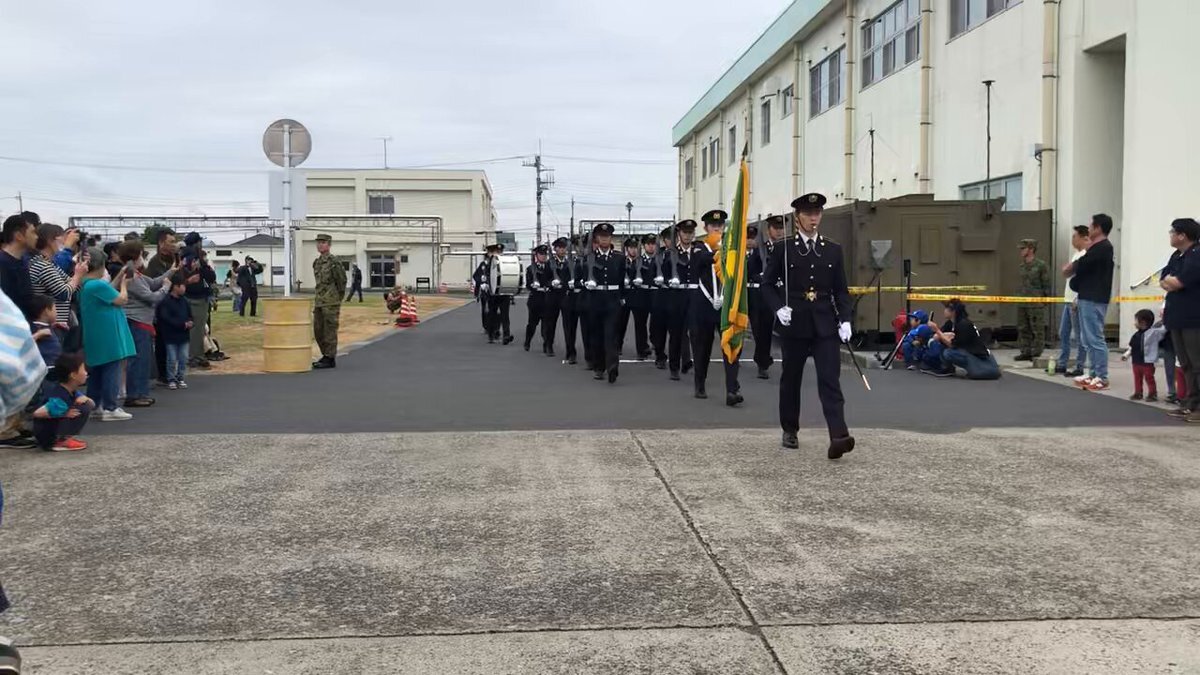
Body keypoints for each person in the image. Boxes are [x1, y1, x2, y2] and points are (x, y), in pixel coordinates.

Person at [763, 193, 855, 458]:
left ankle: (838, 435)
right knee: (791, 379)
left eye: (817, 213)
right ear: (797, 217)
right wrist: (778, 308)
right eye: (808, 214)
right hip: (795, 323)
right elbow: (767, 285)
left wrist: (846, 319)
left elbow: (841, 290)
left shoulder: (832, 249)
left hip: (825, 324)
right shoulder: (784, 248)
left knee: (830, 379)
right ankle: (790, 428)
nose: (814, 219)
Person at [79, 247, 136, 421]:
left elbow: (107, 291)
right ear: (101, 265)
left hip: (95, 333)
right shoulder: (96, 284)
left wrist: (119, 277)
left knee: (97, 371)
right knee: (112, 369)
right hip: (108, 334)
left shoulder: (87, 284)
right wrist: (124, 285)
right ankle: (110, 407)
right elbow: (121, 299)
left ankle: (95, 406)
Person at [1063, 214, 1115, 391]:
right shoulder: (1095, 248)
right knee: (1087, 338)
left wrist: (1071, 268)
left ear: (1098, 228)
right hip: (1086, 296)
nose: (1089, 229)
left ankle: (1102, 376)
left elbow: (1082, 264)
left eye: (1091, 226)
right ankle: (1093, 373)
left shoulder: (1103, 247)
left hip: (1095, 298)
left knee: (1095, 338)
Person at [120, 240, 173, 408]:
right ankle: (134, 395)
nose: (143, 257)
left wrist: (171, 271)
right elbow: (152, 297)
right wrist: (166, 288)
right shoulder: (131, 276)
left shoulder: (137, 274)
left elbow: (154, 282)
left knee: (143, 361)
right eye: (141, 254)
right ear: (135, 256)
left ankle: (141, 393)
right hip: (136, 321)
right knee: (138, 360)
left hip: (142, 322)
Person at [1161, 217, 1200, 422]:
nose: (1170, 235)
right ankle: (1190, 402)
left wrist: (1172, 281)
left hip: (1193, 318)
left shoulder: (1196, 255)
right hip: (1176, 316)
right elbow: (1164, 279)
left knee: (1197, 363)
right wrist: (1171, 281)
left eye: (1172, 232)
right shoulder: (1177, 255)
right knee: (1185, 363)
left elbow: (1179, 282)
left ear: (1182, 235)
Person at [582, 223, 625, 382]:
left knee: (611, 334)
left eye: (607, 237)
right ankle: (599, 367)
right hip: (595, 300)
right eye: (602, 237)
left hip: (612, 300)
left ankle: (612, 367)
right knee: (597, 335)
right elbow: (582, 278)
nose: (605, 239)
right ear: (597, 239)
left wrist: (622, 298)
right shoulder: (589, 258)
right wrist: (586, 284)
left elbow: (622, 280)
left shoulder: (619, 258)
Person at [31, 351, 93, 452]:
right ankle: (59, 440)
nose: (86, 373)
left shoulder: (70, 390)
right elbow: (37, 413)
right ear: (73, 375)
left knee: (84, 405)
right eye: (83, 370)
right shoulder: (60, 396)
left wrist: (85, 398)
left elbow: (92, 404)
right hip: (46, 434)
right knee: (81, 408)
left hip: (49, 430)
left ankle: (63, 438)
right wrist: (63, 413)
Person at [925, 299, 1001, 379]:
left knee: (948, 352)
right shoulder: (951, 323)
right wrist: (942, 334)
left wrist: (937, 330)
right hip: (968, 352)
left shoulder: (963, 324)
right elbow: (941, 336)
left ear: (953, 312)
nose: (944, 311)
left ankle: (951, 368)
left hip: (976, 355)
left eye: (947, 308)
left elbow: (952, 345)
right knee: (941, 341)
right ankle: (945, 367)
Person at [748, 216, 784, 379]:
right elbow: (749, 271)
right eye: (776, 228)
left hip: (779, 292)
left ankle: (779, 361)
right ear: (769, 230)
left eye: (781, 228)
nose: (779, 231)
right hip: (762, 294)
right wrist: (761, 277)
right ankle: (762, 362)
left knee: (776, 329)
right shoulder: (760, 249)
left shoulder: (786, 248)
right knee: (761, 330)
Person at [1055, 226, 1090, 377]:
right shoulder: (1076, 254)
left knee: (1079, 335)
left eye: (1075, 236)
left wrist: (1078, 297)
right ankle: (1062, 363)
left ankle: (1080, 366)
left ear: (1083, 237)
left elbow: (1084, 278)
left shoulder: (1085, 255)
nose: (1072, 239)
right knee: (1063, 333)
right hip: (1068, 299)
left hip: (1075, 300)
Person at [665, 220, 697, 381]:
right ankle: (674, 367)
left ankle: (691, 362)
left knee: (696, 333)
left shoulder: (698, 252)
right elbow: (662, 274)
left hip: (695, 297)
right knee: (676, 334)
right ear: (679, 234)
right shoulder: (670, 253)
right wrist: (668, 281)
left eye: (690, 233)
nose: (688, 236)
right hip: (676, 297)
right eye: (685, 232)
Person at [145, 228, 178, 385]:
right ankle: (162, 373)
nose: (174, 245)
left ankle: (173, 371)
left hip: (175, 302)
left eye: (174, 242)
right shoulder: (154, 262)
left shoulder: (174, 259)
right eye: (171, 242)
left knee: (174, 339)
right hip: (161, 305)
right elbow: (153, 284)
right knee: (162, 342)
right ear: (161, 243)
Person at [179, 233, 216, 370]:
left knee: (193, 329)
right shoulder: (195, 257)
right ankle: (195, 357)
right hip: (197, 297)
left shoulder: (182, 256)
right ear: (197, 243)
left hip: (187, 296)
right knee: (197, 330)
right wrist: (205, 266)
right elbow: (210, 276)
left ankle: (193, 355)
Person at [311, 233, 347, 368]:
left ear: (329, 244)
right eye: (318, 242)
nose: (320, 245)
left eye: (323, 242)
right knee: (318, 330)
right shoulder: (317, 263)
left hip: (331, 302)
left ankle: (330, 358)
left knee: (330, 330)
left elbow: (341, 281)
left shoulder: (334, 262)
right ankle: (325, 354)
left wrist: (337, 298)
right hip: (319, 301)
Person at [1015, 238, 1051, 361]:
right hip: (1022, 301)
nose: (1021, 251)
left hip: (1036, 302)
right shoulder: (1022, 266)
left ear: (1031, 249)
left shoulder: (1041, 265)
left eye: (1023, 248)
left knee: (1037, 328)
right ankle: (1025, 351)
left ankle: (1036, 352)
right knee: (1023, 327)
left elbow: (1046, 283)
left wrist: (1045, 299)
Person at [156, 274, 193, 389]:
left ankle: (180, 377)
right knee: (171, 359)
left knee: (183, 358)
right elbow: (166, 318)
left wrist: (190, 322)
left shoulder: (185, 301)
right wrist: (182, 324)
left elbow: (190, 315)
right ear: (176, 286)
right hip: (170, 335)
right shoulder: (166, 301)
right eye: (183, 286)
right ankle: (171, 379)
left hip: (184, 335)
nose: (184, 288)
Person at [1122, 309, 1166, 402]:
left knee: (1149, 377)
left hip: (1147, 362)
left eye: (1136, 321)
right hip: (1136, 361)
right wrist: (1126, 355)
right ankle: (1138, 393)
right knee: (1137, 378)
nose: (1134, 323)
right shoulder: (1136, 335)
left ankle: (1152, 393)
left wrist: (1166, 319)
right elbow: (1131, 347)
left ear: (1143, 322)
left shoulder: (1153, 333)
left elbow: (1163, 330)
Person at [0, 214, 37, 319]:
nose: (36, 237)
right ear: (19, 236)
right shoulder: (3, 263)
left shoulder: (23, 261)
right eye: (33, 232)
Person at [542, 237, 571, 358]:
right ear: (555, 249)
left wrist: (567, 284)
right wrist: (550, 283)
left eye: (564, 247)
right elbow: (544, 280)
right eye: (560, 248)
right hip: (552, 296)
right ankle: (549, 345)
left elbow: (571, 277)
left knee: (568, 324)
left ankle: (569, 349)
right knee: (550, 323)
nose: (563, 250)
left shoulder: (569, 263)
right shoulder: (549, 263)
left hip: (564, 295)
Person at [649, 227, 672, 370]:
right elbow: (650, 274)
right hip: (661, 294)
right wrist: (656, 279)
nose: (672, 241)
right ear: (664, 240)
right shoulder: (659, 256)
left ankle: (680, 359)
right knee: (659, 328)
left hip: (676, 295)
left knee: (678, 330)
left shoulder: (683, 254)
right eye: (669, 238)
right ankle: (660, 355)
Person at [523, 244, 550, 352]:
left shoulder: (550, 267)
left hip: (546, 299)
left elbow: (552, 279)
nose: (543, 256)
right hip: (535, 300)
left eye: (545, 254)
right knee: (532, 324)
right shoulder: (531, 269)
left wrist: (549, 285)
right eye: (541, 254)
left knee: (547, 325)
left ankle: (547, 345)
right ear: (536, 255)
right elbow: (527, 284)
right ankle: (527, 342)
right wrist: (532, 285)